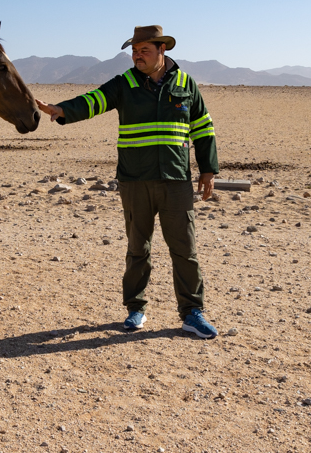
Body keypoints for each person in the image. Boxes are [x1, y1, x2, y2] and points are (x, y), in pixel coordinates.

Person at [36, 25, 219, 338]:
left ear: (163, 51)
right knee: (138, 249)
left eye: (144, 50)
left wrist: (208, 169)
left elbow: (202, 127)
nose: (137, 56)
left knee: (185, 250)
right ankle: (136, 309)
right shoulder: (125, 83)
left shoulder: (186, 84)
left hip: (175, 180)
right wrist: (63, 110)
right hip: (135, 181)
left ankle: (192, 312)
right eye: (134, 51)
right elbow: (94, 100)